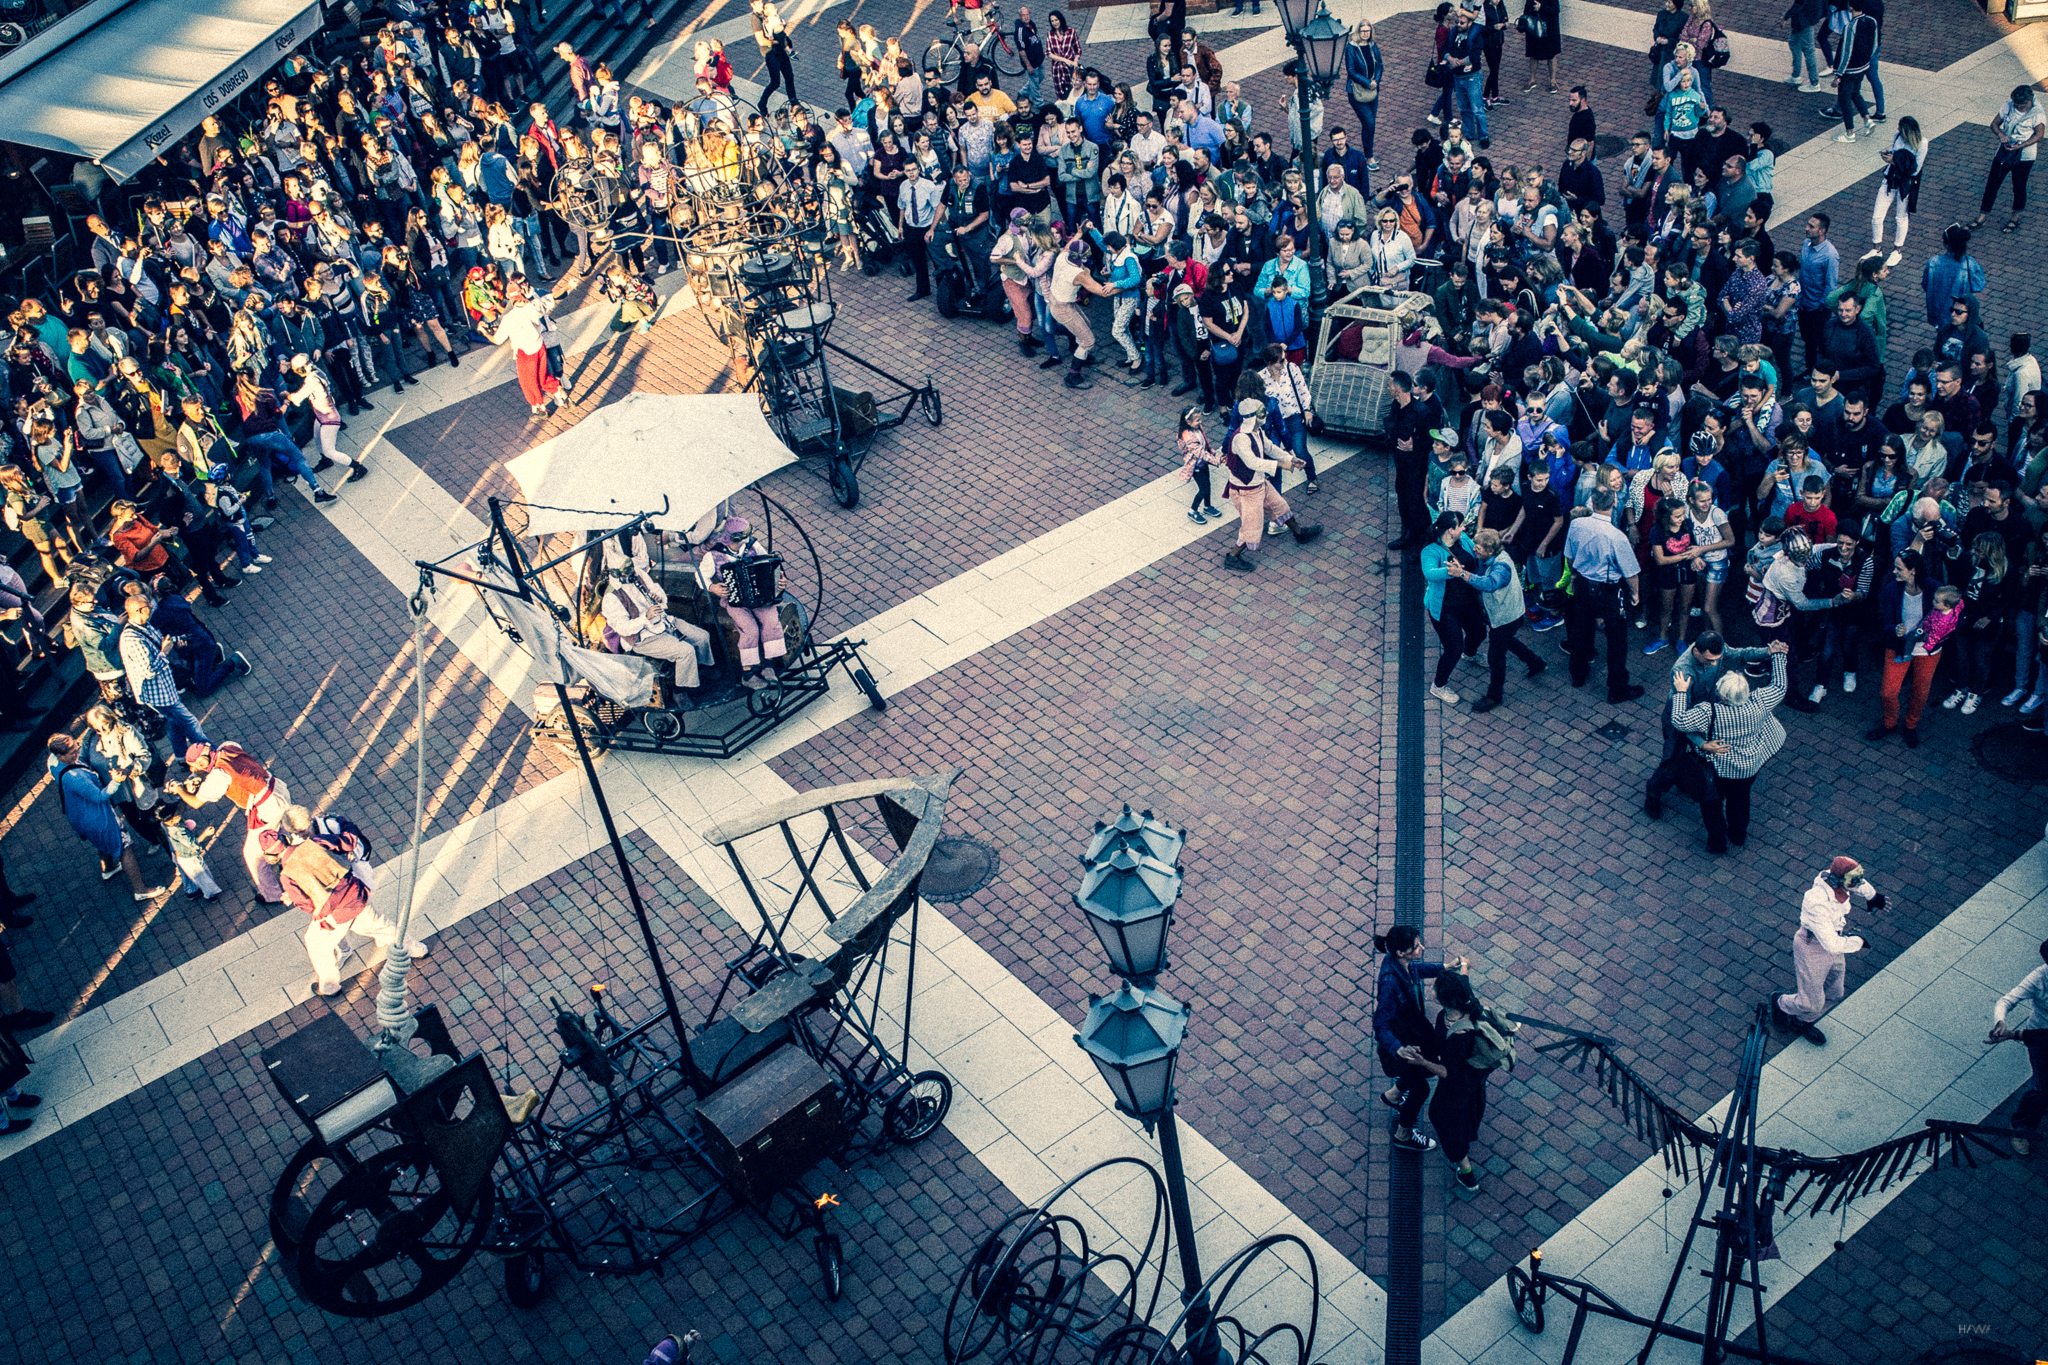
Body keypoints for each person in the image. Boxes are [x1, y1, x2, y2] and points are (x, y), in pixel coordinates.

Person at [261, 826, 427, 998]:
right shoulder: (315, 842)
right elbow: (347, 842)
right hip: (355, 894)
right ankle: (417, 949)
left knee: (316, 944)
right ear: (286, 839)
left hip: (334, 913)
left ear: (271, 856)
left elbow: (307, 906)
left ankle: (329, 987)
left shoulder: (286, 876)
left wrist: (291, 897)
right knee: (381, 927)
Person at [1673, 640, 1790, 853]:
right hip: (1748, 766)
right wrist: (1778, 655)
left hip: (1719, 768)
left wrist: (1681, 693)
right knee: (1740, 800)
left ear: (1723, 696)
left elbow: (1679, 721)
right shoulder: (1760, 701)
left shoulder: (1710, 712)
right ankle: (1738, 835)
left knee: (1711, 804)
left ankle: (1717, 843)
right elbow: (1780, 686)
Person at [1771, 856, 1884, 1046]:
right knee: (1810, 1003)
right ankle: (1780, 1003)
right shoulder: (1816, 902)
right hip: (1813, 947)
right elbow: (1831, 944)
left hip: (1835, 941)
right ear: (1839, 880)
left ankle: (1802, 1021)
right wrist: (1858, 942)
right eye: (1854, 879)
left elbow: (1858, 883)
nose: (1858, 883)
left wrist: (1872, 895)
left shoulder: (1838, 880)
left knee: (1835, 992)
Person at [1373, 925, 1464, 1153]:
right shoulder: (1389, 984)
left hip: (1413, 1032)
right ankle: (1403, 1136)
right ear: (1401, 952)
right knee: (1421, 1089)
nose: (1421, 948)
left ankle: (1393, 1096)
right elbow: (1380, 1025)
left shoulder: (1399, 962)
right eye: (1416, 947)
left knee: (1418, 1072)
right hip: (1404, 1045)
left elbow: (1416, 970)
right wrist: (1398, 1049)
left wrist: (1444, 967)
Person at [44, 734, 165, 901]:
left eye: (76, 748)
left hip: (82, 817)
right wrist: (116, 781)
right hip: (98, 818)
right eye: (72, 752)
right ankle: (140, 889)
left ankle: (108, 869)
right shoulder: (76, 778)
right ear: (59, 755)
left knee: (100, 840)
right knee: (126, 847)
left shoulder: (53, 763)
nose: (77, 753)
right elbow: (99, 796)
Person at [175, 741, 292, 902]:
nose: (192, 770)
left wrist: (179, 789)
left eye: (194, 766)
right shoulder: (227, 746)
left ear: (202, 761)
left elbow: (195, 802)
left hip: (268, 806)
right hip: (276, 789)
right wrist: (198, 776)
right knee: (286, 832)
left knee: (253, 854)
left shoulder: (218, 776)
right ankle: (299, 863)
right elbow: (214, 768)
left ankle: (273, 896)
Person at [1868, 555, 1959, 747]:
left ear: (1913, 570)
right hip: (1899, 646)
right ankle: (1890, 723)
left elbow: (1953, 610)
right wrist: (1894, 629)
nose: (1894, 571)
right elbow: (1884, 620)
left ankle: (1911, 725)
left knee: (1920, 691)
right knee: (1888, 692)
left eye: (1899, 568)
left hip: (1927, 651)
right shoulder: (1891, 589)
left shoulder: (1934, 587)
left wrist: (1939, 634)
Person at [1564, 488, 1645, 703]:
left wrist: (1574, 575)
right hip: (1608, 591)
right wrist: (1635, 593)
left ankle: (1578, 675)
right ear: (1614, 502)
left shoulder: (1576, 524)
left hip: (1583, 585)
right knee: (1617, 641)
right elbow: (1630, 572)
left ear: (1592, 502)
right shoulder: (1616, 536)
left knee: (1581, 631)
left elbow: (1570, 555)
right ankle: (1617, 689)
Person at [1220, 397, 1320, 572]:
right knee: (1252, 527)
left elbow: (1270, 448)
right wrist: (1281, 465)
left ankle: (1299, 534)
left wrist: (1290, 459)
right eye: (1261, 412)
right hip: (1246, 491)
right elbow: (1253, 462)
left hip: (1259, 484)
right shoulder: (1241, 439)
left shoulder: (1257, 431)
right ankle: (1232, 557)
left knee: (1280, 506)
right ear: (1252, 417)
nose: (1265, 414)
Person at [600, 552, 710, 702]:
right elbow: (623, 628)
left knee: (702, 637)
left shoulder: (637, 574)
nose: (632, 574)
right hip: (643, 637)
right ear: (616, 573)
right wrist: (646, 617)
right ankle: (679, 691)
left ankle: (701, 669)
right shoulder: (611, 598)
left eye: (631, 569)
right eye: (627, 572)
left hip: (663, 622)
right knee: (685, 651)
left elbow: (656, 590)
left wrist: (658, 598)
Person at [700, 517, 787, 688]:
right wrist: (712, 587)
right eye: (744, 536)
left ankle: (768, 665)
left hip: (760, 597)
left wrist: (780, 580)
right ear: (734, 538)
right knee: (749, 629)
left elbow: (771, 565)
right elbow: (700, 575)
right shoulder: (714, 555)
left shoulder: (753, 546)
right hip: (735, 601)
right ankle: (747, 675)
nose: (748, 539)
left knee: (771, 622)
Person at [1468, 528, 1546, 712]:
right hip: (1506, 615)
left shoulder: (1502, 567)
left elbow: (1490, 584)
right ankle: (1536, 663)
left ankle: (1494, 696)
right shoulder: (1490, 558)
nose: (1474, 548)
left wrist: (1464, 575)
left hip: (1506, 618)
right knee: (1507, 641)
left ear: (1489, 551)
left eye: (1478, 546)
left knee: (1495, 657)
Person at [1988, 938, 2048, 1155]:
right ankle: (2022, 1128)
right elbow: (2006, 1001)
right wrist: (2000, 1021)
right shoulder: (2039, 978)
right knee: (2041, 1086)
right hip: (2041, 1038)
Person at [1422, 513, 1489, 706]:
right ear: (1450, 530)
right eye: (1460, 526)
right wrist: (1450, 571)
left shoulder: (1464, 540)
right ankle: (1438, 685)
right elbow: (1429, 573)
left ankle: (1470, 653)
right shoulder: (1430, 551)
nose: (1464, 529)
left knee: (1479, 633)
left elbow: (1476, 555)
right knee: (1453, 648)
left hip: (1468, 602)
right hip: (1444, 608)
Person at [1969, 84, 2046, 235]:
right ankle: (1982, 217)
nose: (2019, 107)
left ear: (2029, 101)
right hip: (2005, 151)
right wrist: (2001, 135)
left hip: (2024, 155)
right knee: (1992, 184)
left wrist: (2021, 146)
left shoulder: (2037, 114)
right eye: (2016, 103)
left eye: (2022, 104)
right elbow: (1994, 124)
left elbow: (2039, 135)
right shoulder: (2008, 106)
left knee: (2019, 186)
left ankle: (2015, 218)